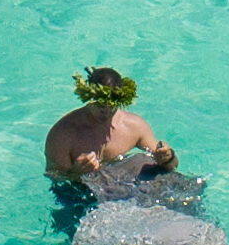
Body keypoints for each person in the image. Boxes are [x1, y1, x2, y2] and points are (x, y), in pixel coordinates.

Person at [44, 67, 182, 220]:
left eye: (112, 104)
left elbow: (170, 166)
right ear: (89, 97)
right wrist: (77, 173)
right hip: (81, 196)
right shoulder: (63, 133)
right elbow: (55, 179)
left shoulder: (134, 126)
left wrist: (168, 157)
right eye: (100, 104)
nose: (106, 110)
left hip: (125, 190)